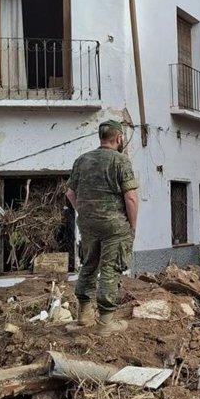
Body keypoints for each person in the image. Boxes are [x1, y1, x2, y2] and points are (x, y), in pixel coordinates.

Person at [66, 120, 138, 334]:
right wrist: (132, 227)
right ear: (118, 138)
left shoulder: (82, 160)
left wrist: (84, 213)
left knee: (88, 265)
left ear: (101, 137)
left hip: (87, 224)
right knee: (110, 268)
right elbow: (131, 198)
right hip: (114, 226)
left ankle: (84, 316)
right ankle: (106, 323)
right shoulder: (121, 161)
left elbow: (70, 193)